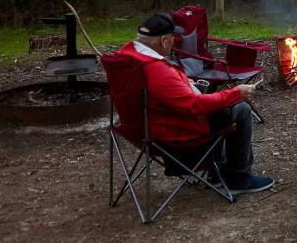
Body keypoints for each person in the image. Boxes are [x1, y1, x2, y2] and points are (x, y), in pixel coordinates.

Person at [116, 12, 274, 194]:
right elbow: (193, 105)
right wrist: (235, 93)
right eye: (173, 38)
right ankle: (239, 177)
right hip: (172, 133)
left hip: (141, 127)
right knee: (241, 109)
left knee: (219, 101)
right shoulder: (155, 69)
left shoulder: (127, 57)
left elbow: (163, 92)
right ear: (164, 41)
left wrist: (183, 83)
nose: (175, 41)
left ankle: (217, 174)